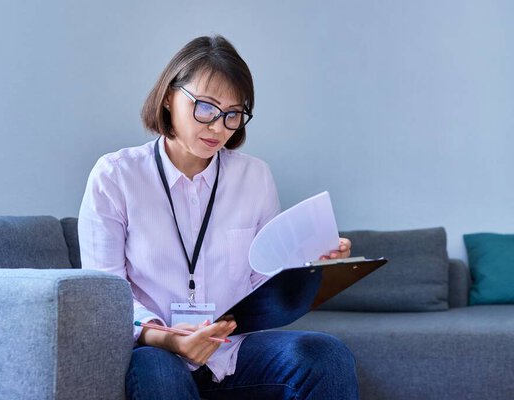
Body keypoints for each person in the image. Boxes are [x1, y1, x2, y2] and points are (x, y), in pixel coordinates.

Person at [78, 35, 358, 400]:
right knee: (158, 371)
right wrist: (170, 340)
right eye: (206, 108)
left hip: (232, 350)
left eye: (233, 114)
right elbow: (106, 293)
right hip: (158, 350)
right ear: (168, 96)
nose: (218, 127)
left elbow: (263, 276)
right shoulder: (116, 176)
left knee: (325, 356)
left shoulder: (254, 177)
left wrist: (310, 265)